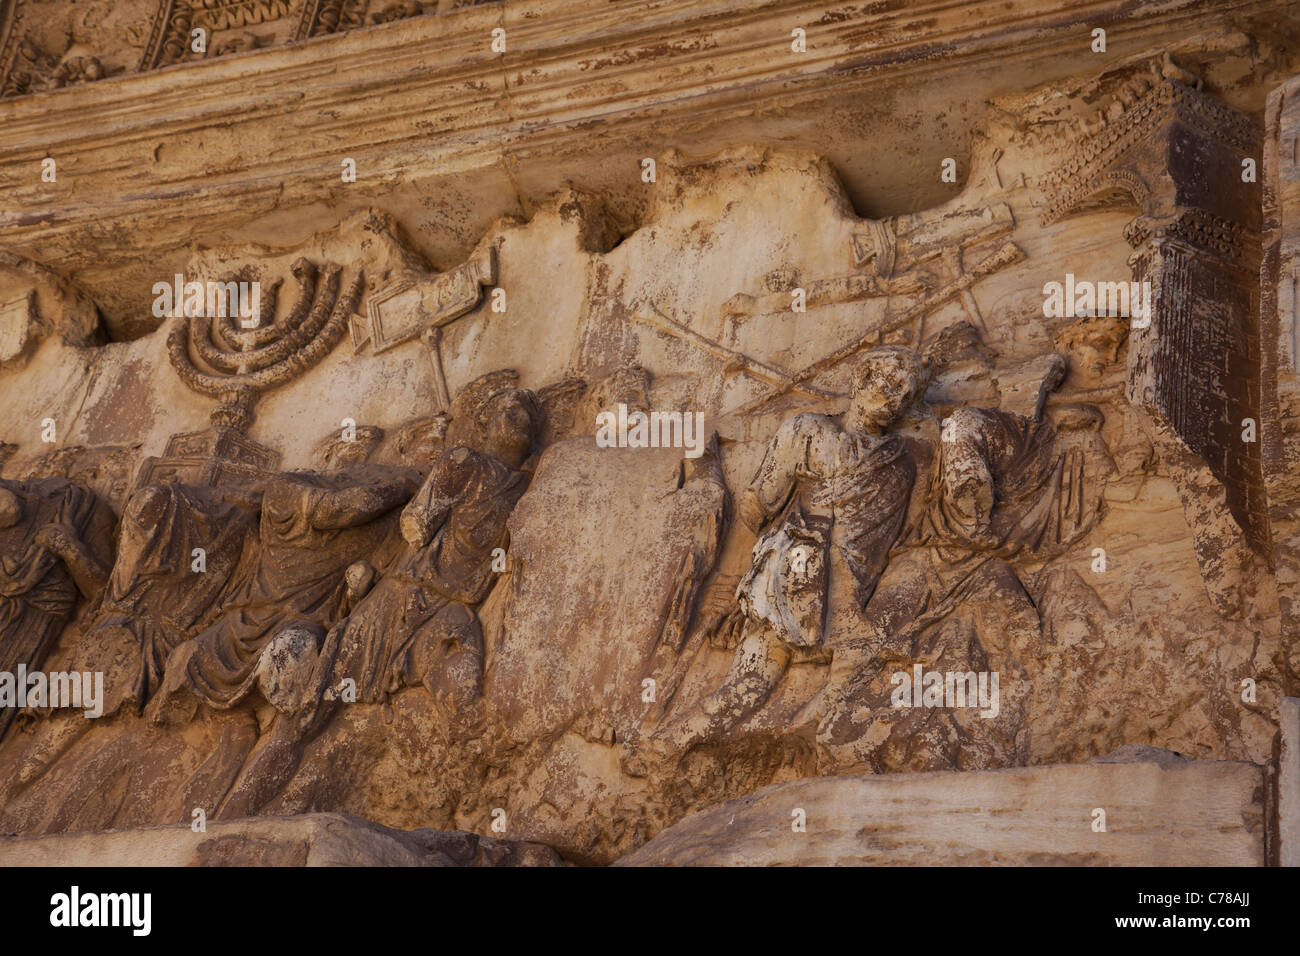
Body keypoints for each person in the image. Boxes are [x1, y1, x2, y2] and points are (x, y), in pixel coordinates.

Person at [670, 346, 923, 748]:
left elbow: (884, 545)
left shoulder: (901, 463)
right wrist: (743, 584)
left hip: (848, 596)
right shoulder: (807, 430)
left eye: (903, 393)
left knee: (849, 680)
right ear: (861, 379)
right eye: (886, 382)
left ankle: (801, 736)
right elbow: (758, 508)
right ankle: (667, 745)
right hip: (792, 581)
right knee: (747, 689)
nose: (891, 395)